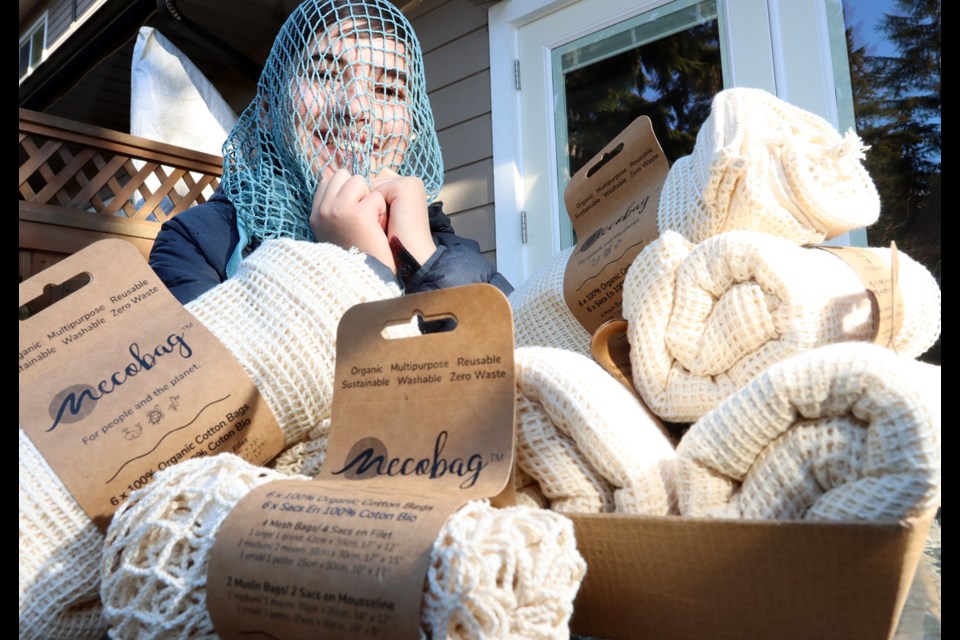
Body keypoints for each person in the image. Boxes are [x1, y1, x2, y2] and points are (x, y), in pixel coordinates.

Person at [149, 0, 511, 304]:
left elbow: (517, 375)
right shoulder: (198, 244)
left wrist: (424, 258)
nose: (356, 109)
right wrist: (360, 269)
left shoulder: (448, 247)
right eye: (324, 74)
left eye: (388, 90)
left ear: (412, 127)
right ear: (268, 110)